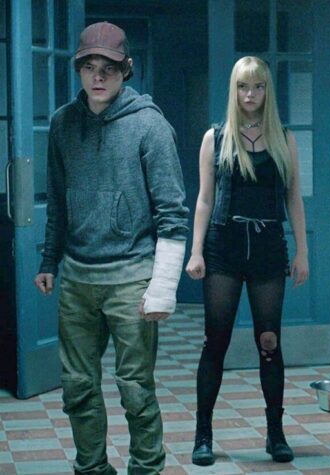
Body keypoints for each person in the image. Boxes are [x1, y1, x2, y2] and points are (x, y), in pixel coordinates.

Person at [34, 22, 189, 475]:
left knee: (135, 389)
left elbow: (172, 212)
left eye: (109, 67)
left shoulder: (150, 125)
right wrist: (49, 259)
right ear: (78, 70)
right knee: (77, 387)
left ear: (127, 70)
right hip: (77, 279)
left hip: (132, 280)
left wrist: (163, 286)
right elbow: (57, 199)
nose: (98, 76)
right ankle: (92, 468)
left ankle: (146, 468)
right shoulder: (63, 123)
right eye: (89, 67)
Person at [185, 56, 309, 466]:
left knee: (269, 342)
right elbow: (204, 199)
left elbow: (293, 198)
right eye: (243, 86)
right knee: (215, 342)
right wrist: (196, 251)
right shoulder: (216, 137)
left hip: (268, 247)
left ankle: (275, 433)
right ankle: (203, 434)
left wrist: (303, 252)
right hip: (224, 245)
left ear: (267, 91)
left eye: (257, 87)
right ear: (234, 90)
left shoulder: (284, 138)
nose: (250, 94)